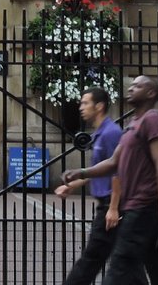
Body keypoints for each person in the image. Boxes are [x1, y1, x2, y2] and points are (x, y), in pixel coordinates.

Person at [62, 75, 158, 285]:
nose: (131, 88)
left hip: (143, 207)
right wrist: (80, 172)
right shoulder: (132, 124)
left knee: (120, 266)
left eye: (138, 86)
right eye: (132, 85)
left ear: (151, 93)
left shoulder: (152, 120)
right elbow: (113, 162)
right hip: (136, 207)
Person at [53, 86, 125, 285]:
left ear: (99, 106)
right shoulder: (100, 133)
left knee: (91, 259)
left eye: (85, 103)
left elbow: (117, 171)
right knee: (127, 263)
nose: (81, 107)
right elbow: (98, 168)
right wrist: (73, 185)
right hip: (107, 205)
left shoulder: (111, 133)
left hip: (110, 206)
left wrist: (113, 207)